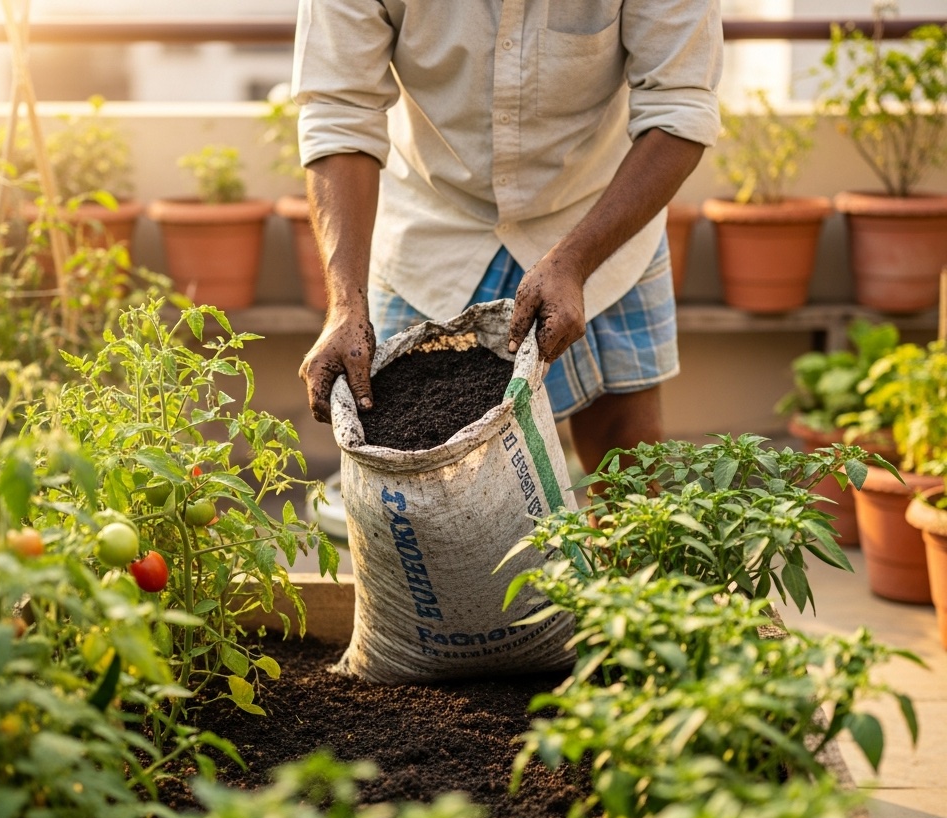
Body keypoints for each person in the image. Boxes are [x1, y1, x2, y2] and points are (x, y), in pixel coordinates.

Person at [293, 1, 723, 475]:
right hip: (432, 228)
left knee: (627, 462)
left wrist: (576, 261)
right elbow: (339, 113)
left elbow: (680, 107)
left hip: (599, 216)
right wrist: (345, 305)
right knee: (415, 474)